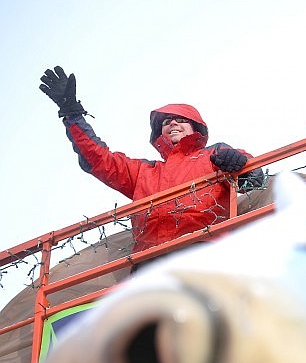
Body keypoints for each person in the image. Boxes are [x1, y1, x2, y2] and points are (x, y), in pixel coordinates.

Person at [39, 65, 264, 258]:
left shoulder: (215, 154)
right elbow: (98, 159)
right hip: (149, 261)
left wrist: (239, 165)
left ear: (195, 128)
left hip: (204, 251)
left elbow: (253, 179)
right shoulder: (143, 172)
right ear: (160, 133)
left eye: (180, 120)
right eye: (166, 122)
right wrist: (72, 114)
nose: (172, 124)